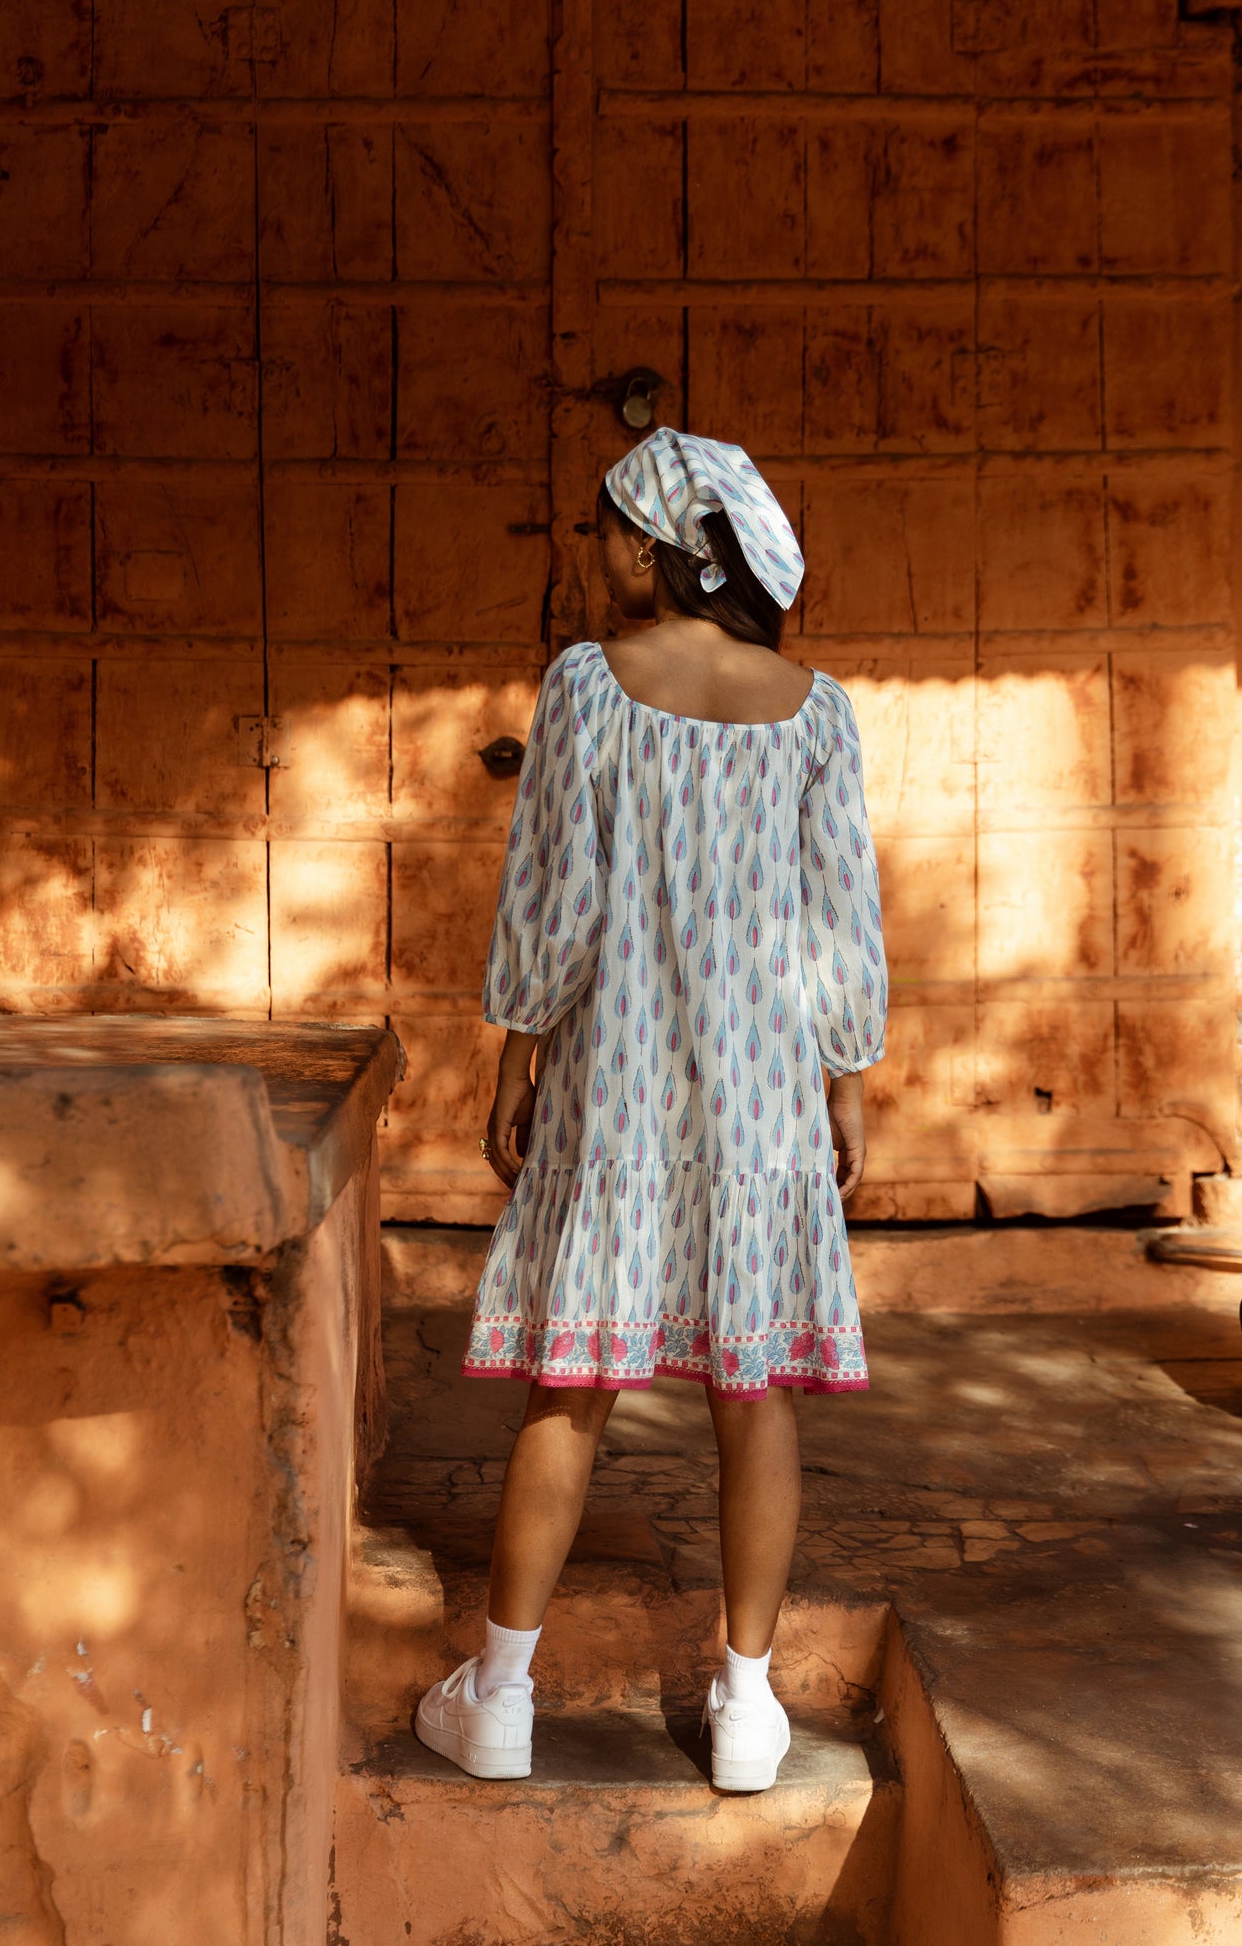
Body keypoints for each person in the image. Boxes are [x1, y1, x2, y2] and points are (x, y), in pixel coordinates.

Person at [414, 427, 887, 1791]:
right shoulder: (813, 707)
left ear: (643, 546)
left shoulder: (586, 686)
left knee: (572, 1389)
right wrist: (843, 1078)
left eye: (597, 527)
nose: (586, 549)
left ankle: (499, 1693)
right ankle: (744, 1712)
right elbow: (837, 923)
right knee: (757, 1399)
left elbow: (554, 899)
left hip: (615, 1085)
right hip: (758, 1106)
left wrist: (517, 1056)